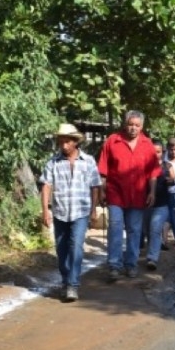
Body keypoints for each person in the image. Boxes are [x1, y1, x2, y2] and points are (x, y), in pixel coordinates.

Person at [39, 124, 101, 302]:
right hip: (60, 211)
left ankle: (73, 285)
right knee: (61, 249)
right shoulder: (53, 162)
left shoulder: (88, 161)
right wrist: (45, 211)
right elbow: (46, 186)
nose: (64, 146)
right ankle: (66, 280)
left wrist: (93, 209)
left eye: (67, 142)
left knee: (76, 246)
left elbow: (95, 186)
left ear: (75, 142)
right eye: (61, 142)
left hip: (81, 211)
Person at [98, 110, 161, 280]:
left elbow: (153, 173)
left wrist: (152, 192)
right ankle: (114, 266)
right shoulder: (113, 141)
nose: (133, 128)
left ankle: (131, 264)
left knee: (134, 230)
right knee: (115, 228)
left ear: (142, 127)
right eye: (130, 124)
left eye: (137, 125)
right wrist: (102, 190)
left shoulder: (147, 144)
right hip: (115, 193)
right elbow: (103, 170)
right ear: (125, 124)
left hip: (138, 195)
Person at [144, 140, 174, 271]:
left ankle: (152, 258)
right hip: (146, 204)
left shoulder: (167, 166)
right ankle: (151, 251)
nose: (156, 154)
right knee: (148, 231)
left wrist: (171, 180)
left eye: (158, 152)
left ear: (163, 152)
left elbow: (174, 179)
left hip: (162, 204)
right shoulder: (144, 166)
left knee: (155, 229)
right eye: (153, 152)